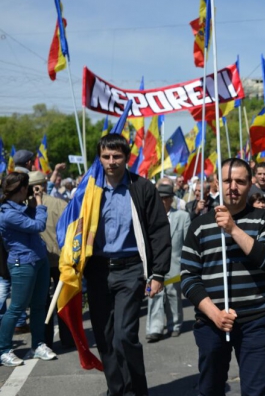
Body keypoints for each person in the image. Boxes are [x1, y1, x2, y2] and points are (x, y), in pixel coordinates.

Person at [181, 158, 265, 396]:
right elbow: (188, 278)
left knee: (255, 391)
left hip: (254, 321)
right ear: (217, 182)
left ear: (250, 184)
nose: (233, 187)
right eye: (227, 180)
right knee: (210, 389)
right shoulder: (199, 226)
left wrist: (233, 229)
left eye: (240, 181)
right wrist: (215, 314)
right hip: (211, 322)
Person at [84, 133, 171, 396]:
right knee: (106, 337)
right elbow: (75, 227)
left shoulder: (142, 187)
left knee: (124, 335)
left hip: (131, 270)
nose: (111, 161)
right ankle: (116, 389)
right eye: (106, 156)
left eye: (117, 156)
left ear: (126, 158)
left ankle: (136, 390)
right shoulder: (89, 189)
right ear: (99, 158)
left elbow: (158, 230)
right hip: (98, 270)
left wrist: (158, 273)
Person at [0, 172, 57, 366]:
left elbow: (31, 218)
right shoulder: (7, 213)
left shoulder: (20, 207)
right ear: (22, 189)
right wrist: (40, 202)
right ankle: (4, 350)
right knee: (16, 308)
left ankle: (38, 345)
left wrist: (32, 205)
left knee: (39, 305)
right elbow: (38, 225)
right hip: (22, 263)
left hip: (38, 260)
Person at [27, 171, 73, 349]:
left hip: (38, 261)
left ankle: (44, 341)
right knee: (63, 301)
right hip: (62, 259)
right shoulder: (60, 204)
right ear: (45, 185)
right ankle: (68, 339)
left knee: (41, 303)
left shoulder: (25, 208)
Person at [145, 183, 190, 342]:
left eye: (166, 198)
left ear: (171, 199)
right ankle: (154, 328)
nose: (163, 201)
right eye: (160, 198)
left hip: (174, 264)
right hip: (154, 265)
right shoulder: (149, 218)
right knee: (153, 296)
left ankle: (175, 325)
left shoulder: (182, 217)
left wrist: (186, 265)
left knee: (173, 295)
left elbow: (187, 243)